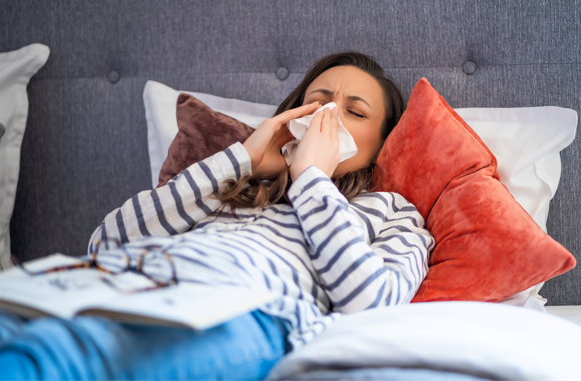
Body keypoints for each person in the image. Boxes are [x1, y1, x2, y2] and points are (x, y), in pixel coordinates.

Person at [0, 52, 434, 380]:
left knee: (51, 357)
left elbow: (373, 304)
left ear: (380, 146)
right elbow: (106, 243)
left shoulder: (394, 213)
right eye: (317, 102)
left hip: (235, 308)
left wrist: (312, 180)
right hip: (120, 279)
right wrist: (242, 160)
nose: (327, 114)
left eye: (354, 112)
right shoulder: (234, 183)